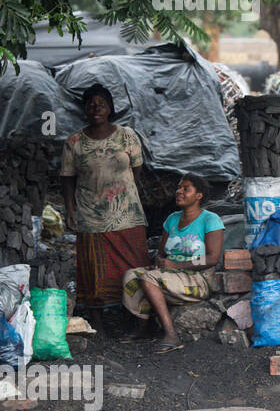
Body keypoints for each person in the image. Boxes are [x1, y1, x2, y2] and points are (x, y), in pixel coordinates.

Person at [61, 83, 149, 333]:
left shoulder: (127, 136)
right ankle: (96, 323)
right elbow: (67, 178)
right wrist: (69, 209)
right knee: (93, 271)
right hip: (91, 215)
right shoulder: (74, 142)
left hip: (127, 214)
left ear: (110, 108)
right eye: (90, 103)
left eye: (101, 103)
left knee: (133, 268)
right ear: (84, 109)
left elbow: (137, 170)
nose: (95, 107)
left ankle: (136, 320)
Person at [121, 174, 225, 353]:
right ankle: (144, 326)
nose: (179, 191)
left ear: (198, 196)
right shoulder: (172, 219)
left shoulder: (210, 219)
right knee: (130, 275)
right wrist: (160, 262)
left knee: (148, 278)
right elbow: (162, 253)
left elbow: (213, 258)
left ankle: (171, 335)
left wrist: (177, 266)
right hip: (170, 274)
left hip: (198, 278)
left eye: (186, 189)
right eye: (179, 187)